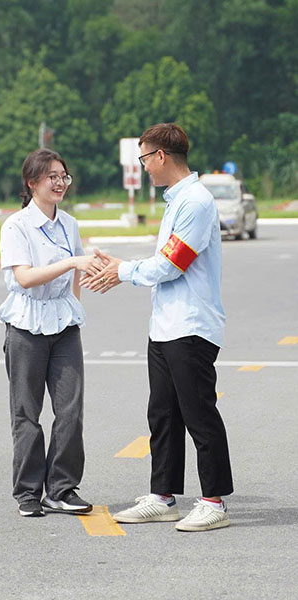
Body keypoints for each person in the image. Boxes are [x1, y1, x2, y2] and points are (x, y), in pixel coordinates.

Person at [83, 123, 233, 532]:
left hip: (191, 326)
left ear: (161, 156)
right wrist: (122, 268)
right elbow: (166, 261)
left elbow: (172, 264)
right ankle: (163, 496)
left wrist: (122, 271)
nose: (144, 167)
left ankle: (214, 501)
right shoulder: (176, 201)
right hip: (166, 327)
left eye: (145, 158)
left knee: (198, 414)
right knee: (163, 415)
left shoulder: (196, 202)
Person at [0, 148, 96, 517]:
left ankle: (62, 488)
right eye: (51, 176)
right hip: (26, 325)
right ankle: (27, 493)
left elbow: (78, 274)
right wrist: (69, 261)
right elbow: (23, 277)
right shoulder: (16, 226)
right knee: (26, 412)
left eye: (63, 176)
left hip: (64, 325)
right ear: (32, 182)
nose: (59, 182)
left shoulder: (69, 224)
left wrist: (74, 303)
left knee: (70, 409)